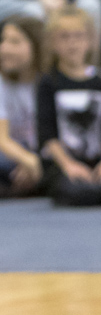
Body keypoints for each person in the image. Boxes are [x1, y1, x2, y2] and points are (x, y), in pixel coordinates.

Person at [36, 4, 101, 205]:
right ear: (52, 43)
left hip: (95, 160)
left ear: (90, 40)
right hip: (62, 163)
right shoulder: (49, 82)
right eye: (64, 37)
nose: (72, 43)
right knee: (81, 194)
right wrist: (68, 165)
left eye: (78, 36)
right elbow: (47, 133)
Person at [0, 15, 44, 196]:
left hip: (44, 154)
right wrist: (29, 160)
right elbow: (2, 140)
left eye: (15, 42)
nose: (4, 48)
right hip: (10, 155)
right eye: (2, 40)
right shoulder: (2, 83)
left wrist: (38, 160)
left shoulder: (48, 82)